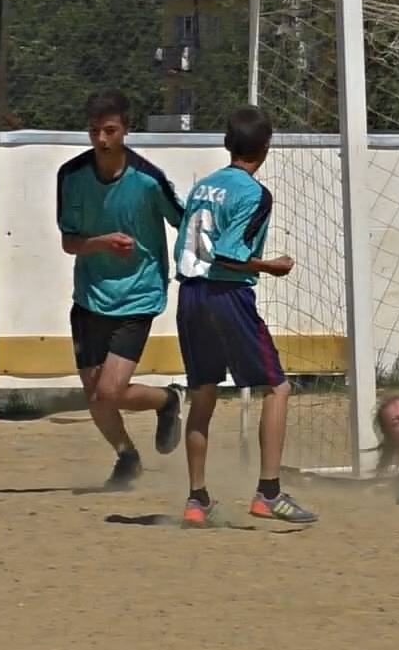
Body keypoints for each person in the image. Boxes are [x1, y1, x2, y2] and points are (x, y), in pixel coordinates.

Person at [171, 106, 318, 528]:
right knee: (278, 388)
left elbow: (190, 244)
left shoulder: (204, 186)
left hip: (190, 295)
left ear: (226, 144)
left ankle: (197, 501)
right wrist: (271, 265)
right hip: (226, 296)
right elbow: (231, 255)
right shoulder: (254, 193)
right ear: (266, 147)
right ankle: (268, 492)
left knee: (203, 395)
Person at [56, 88, 186, 490]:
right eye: (95, 131)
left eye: (110, 130)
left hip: (138, 295)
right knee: (95, 395)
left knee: (110, 390)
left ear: (126, 130)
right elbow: (70, 242)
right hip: (90, 296)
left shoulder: (148, 180)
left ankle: (168, 400)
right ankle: (127, 456)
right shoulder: (71, 176)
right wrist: (102, 243)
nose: (101, 139)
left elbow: (185, 221)